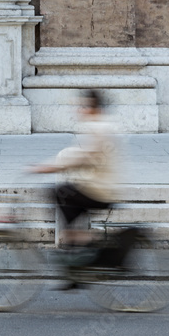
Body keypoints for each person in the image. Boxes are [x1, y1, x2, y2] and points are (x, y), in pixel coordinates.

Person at [29, 89, 119, 249]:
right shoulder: (104, 126)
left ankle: (81, 237)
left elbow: (83, 158)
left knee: (59, 192)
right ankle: (79, 241)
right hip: (106, 188)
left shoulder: (97, 128)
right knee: (70, 196)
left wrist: (48, 168)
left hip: (100, 191)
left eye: (84, 106)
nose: (79, 110)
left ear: (93, 108)